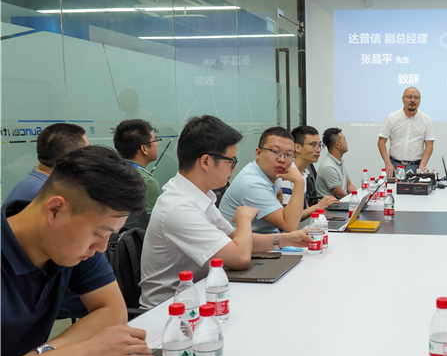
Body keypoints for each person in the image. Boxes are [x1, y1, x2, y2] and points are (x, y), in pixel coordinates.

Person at [1, 146, 153, 356]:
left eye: (109, 235)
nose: (101, 248)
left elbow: (112, 311)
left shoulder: (66, 245)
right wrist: (81, 354)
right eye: (99, 233)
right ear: (54, 210)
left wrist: (44, 355)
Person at [140, 117, 310, 309]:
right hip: (170, 310)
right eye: (231, 161)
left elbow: (233, 238)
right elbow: (240, 258)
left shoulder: (199, 195)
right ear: (206, 161)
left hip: (200, 294)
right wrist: (244, 217)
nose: (234, 168)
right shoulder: (178, 208)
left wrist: (286, 239)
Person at [4, 123, 88, 204]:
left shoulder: (38, 179)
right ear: (71, 158)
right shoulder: (49, 193)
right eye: (87, 150)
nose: (90, 155)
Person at [113, 119, 162, 229]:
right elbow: (152, 228)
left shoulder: (113, 172)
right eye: (155, 140)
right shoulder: (147, 183)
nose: (157, 144)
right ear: (144, 148)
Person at [279, 126, 338, 215]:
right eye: (313, 145)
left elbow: (304, 208)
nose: (318, 150)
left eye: (319, 145)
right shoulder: (287, 175)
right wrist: (319, 206)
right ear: (297, 147)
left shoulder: (304, 172)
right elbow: (289, 217)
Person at [378, 86, 435, 177]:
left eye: (416, 98)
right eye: (409, 97)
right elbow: (381, 142)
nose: (413, 100)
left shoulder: (426, 119)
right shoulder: (392, 117)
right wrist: (387, 163)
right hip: (394, 165)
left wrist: (422, 165)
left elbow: (429, 145)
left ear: (420, 100)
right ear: (403, 99)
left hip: (416, 166)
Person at [318, 127, 358, 199]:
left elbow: (349, 185)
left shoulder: (339, 162)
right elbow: (339, 194)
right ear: (337, 145)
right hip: (333, 204)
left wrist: (357, 196)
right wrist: (355, 200)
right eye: (344, 140)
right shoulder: (328, 167)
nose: (346, 142)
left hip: (342, 201)